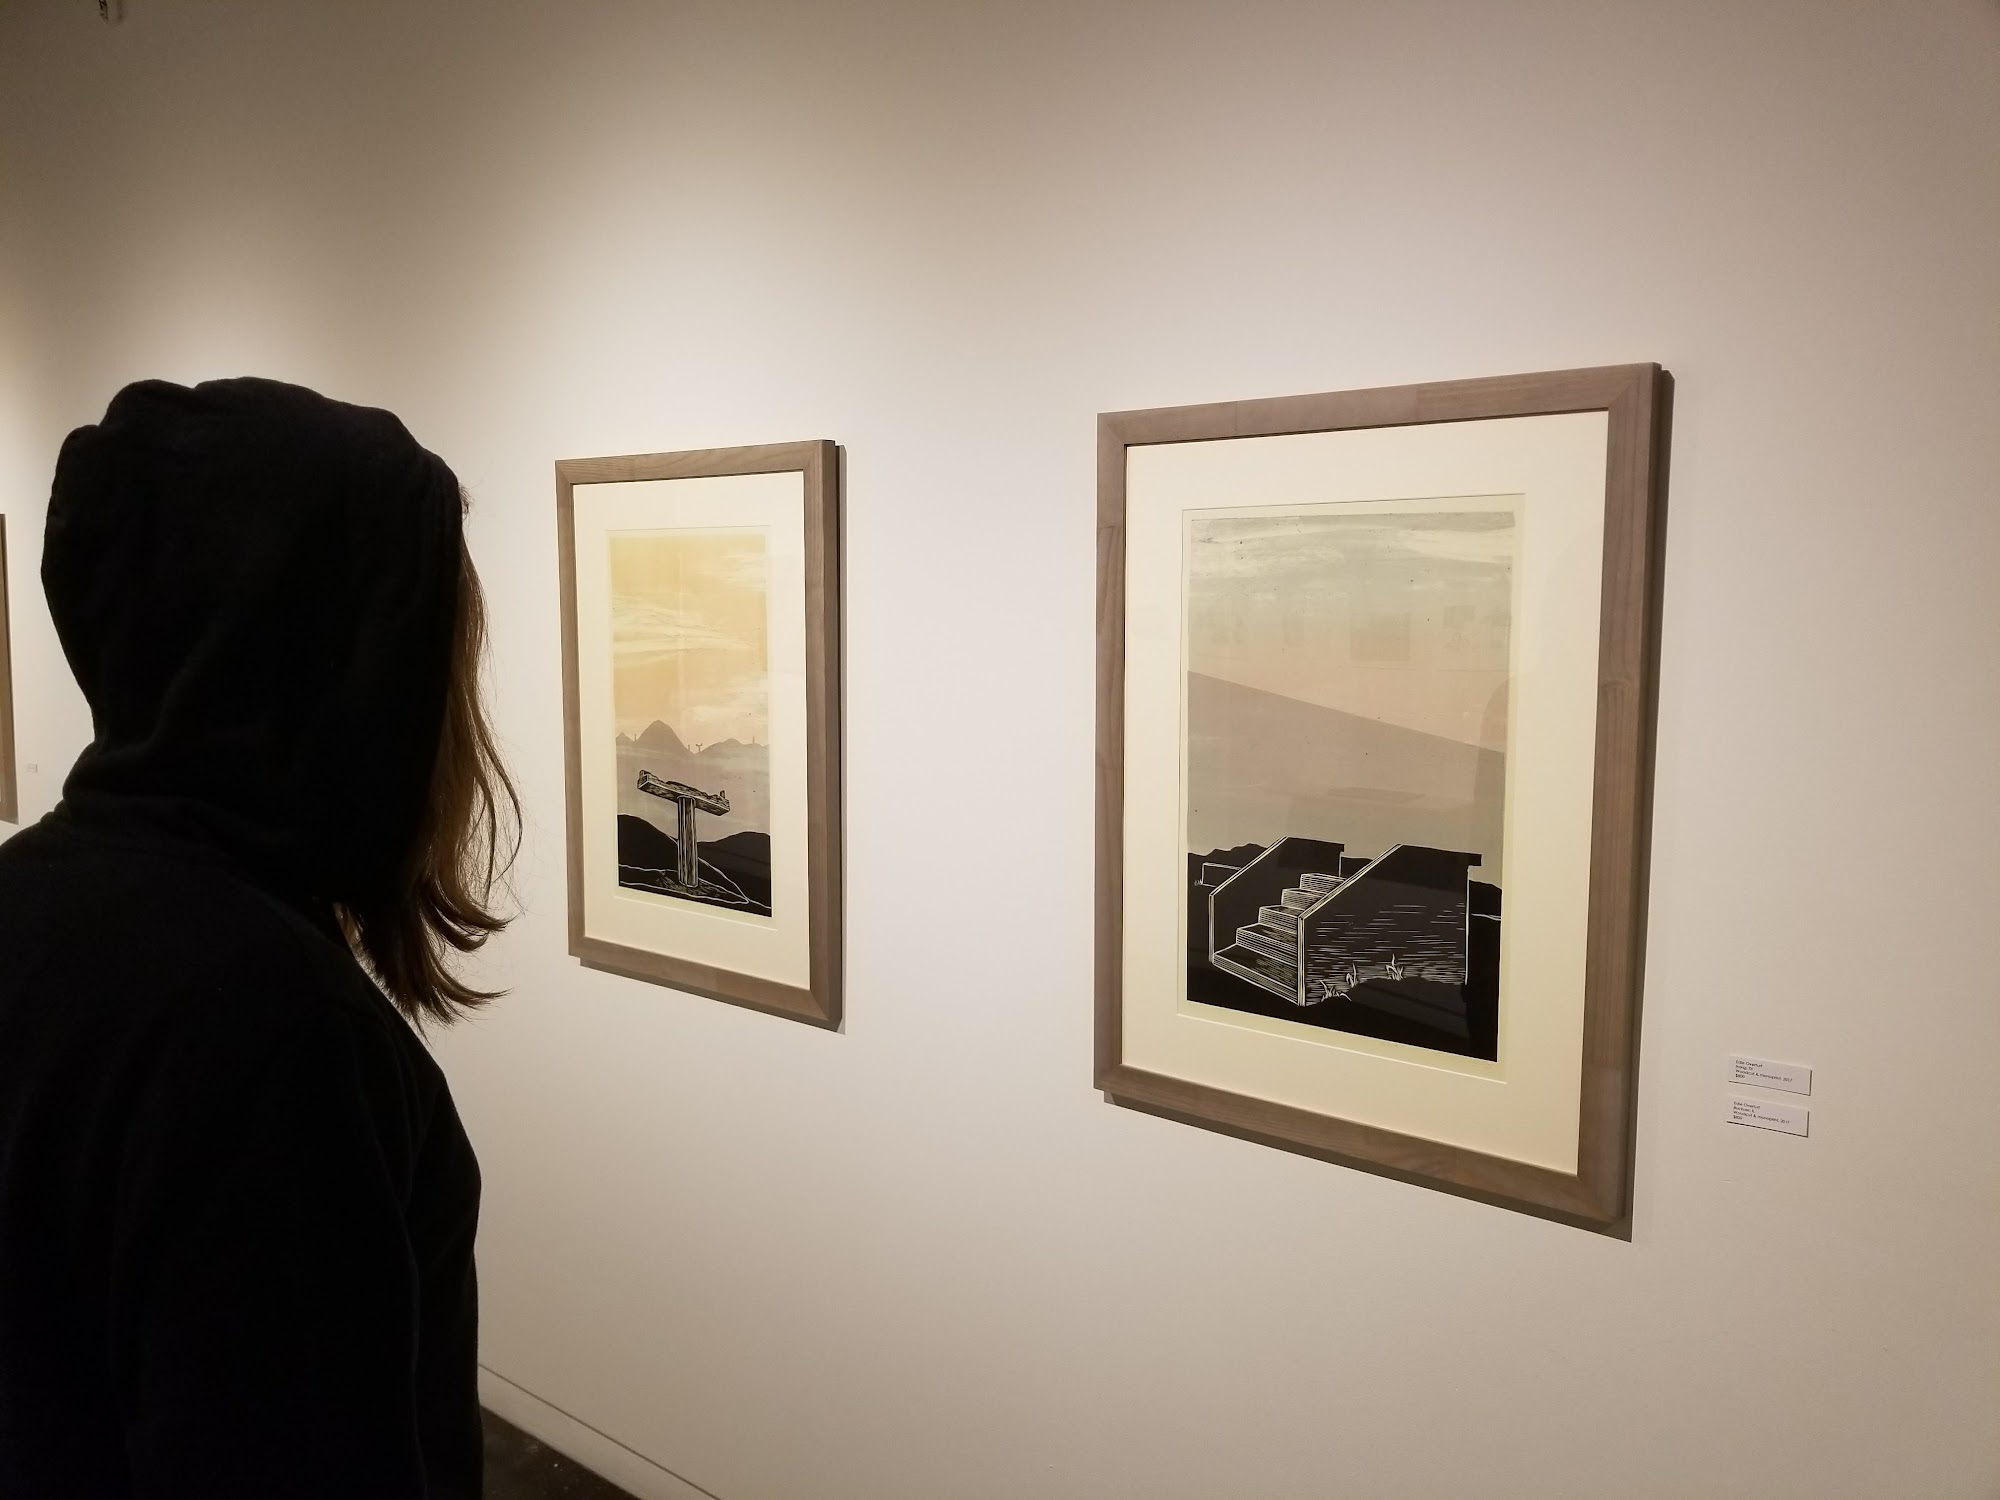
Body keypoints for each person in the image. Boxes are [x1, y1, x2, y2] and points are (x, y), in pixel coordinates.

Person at [0, 377, 516, 1498]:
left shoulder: (27, 902)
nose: (461, 717)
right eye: (437, 659)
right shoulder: (280, 1042)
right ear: (351, 679)